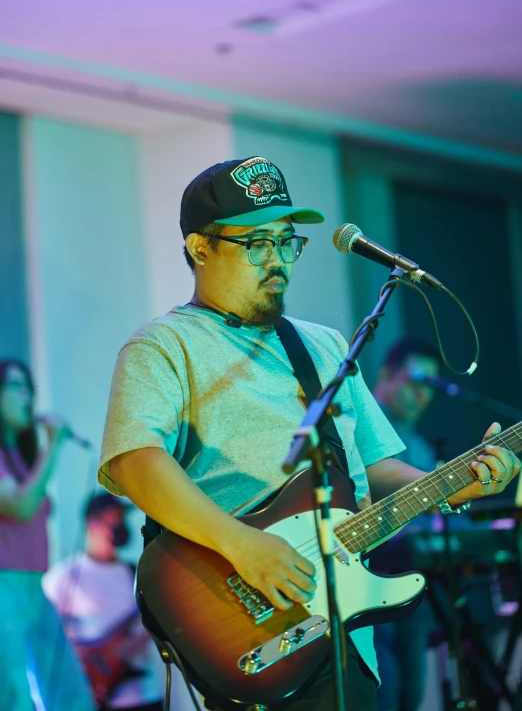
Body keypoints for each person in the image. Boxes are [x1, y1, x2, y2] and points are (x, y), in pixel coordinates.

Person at [97, 156, 520, 711]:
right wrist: (243, 545)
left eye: (286, 242)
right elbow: (136, 462)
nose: (278, 261)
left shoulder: (322, 345)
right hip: (246, 619)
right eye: (257, 244)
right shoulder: (162, 347)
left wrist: (457, 484)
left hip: (346, 633)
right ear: (200, 248)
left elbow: (375, 468)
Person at [0, 358, 95, 711]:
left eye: (29, 388)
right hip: (4, 588)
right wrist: (52, 446)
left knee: (70, 693)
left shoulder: (21, 458)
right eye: (15, 386)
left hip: (33, 589)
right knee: (15, 697)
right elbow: (20, 507)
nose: (26, 396)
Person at [43, 492, 164, 711]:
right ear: (93, 523)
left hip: (142, 694)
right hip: (89, 696)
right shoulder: (64, 576)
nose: (120, 525)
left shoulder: (136, 573)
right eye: (114, 518)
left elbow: (151, 627)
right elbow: (44, 635)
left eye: (122, 518)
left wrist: (122, 651)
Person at [371, 339, 441, 711]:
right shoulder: (359, 432)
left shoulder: (421, 448)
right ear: (386, 374)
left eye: (430, 385)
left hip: (412, 586)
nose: (423, 393)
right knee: (385, 690)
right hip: (368, 585)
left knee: (409, 695)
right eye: (415, 380)